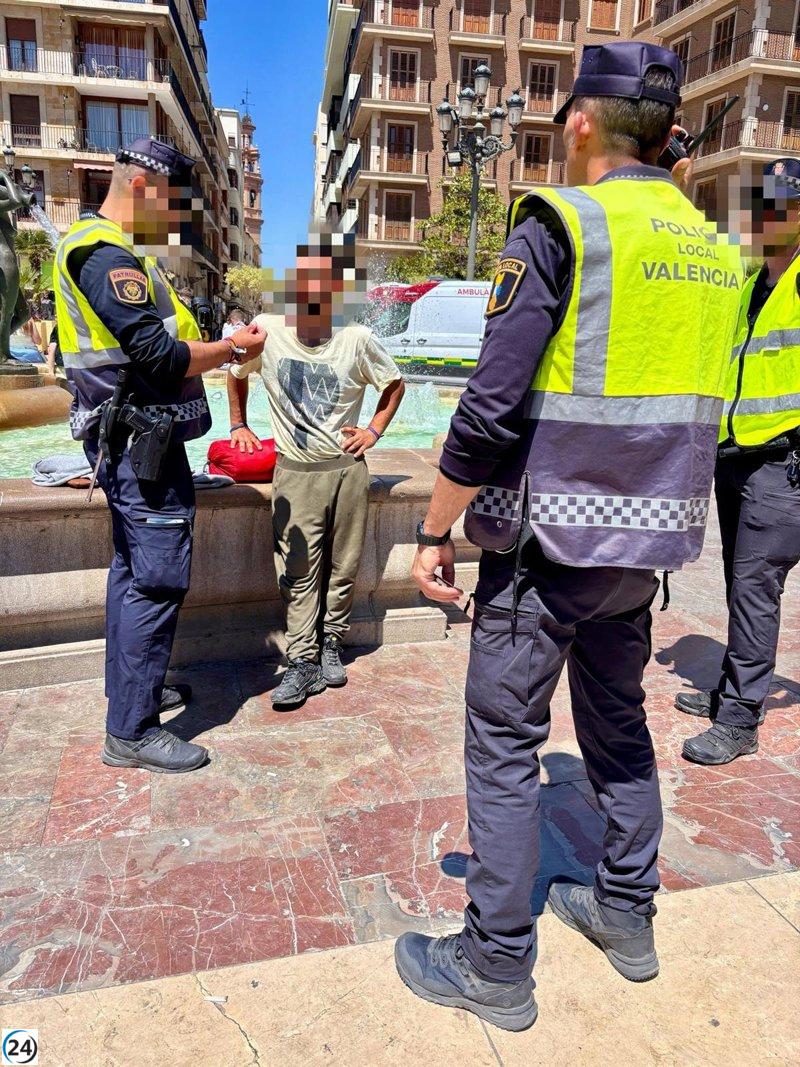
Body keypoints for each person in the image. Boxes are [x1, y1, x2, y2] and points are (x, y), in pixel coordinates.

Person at [393, 42, 743, 1031]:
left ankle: (496, 965)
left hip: (545, 548)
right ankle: (626, 910)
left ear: (581, 121)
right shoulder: (713, 252)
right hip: (649, 550)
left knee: (504, 743)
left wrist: (434, 528)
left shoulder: (562, 224)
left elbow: (489, 407)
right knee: (616, 722)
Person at [52, 137, 266, 773]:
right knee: (156, 579)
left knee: (132, 574)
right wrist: (231, 352)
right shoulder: (102, 254)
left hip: (139, 442)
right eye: (172, 206)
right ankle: (133, 730)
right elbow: (159, 356)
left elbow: (170, 339)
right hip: (137, 447)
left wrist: (218, 342)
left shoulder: (124, 257)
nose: (174, 222)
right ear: (145, 188)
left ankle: (133, 693)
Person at [227, 233, 405, 707]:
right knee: (299, 572)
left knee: (342, 568)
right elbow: (234, 369)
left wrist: (374, 430)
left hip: (347, 470)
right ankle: (301, 661)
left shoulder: (358, 338)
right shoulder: (267, 329)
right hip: (294, 473)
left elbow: (394, 384)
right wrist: (238, 423)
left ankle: (330, 644)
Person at [678, 159, 800, 765]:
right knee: (740, 583)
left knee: (755, 588)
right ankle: (735, 685)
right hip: (738, 457)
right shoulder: (752, 283)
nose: (760, 219)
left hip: (785, 463)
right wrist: (675, 184)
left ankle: (740, 719)